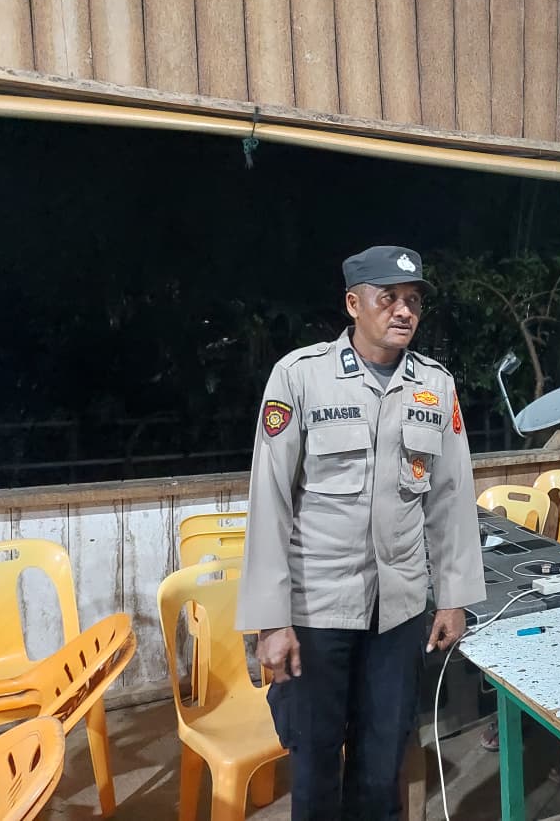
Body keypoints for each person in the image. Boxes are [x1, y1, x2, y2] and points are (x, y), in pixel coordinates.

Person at [235, 245, 486, 820]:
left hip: (398, 613)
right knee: (315, 763)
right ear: (353, 304)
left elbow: (451, 499)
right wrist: (271, 620)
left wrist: (453, 598)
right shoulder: (301, 377)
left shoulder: (434, 386)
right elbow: (270, 500)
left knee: (383, 763)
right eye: (389, 298)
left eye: (413, 300)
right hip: (317, 609)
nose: (404, 311)